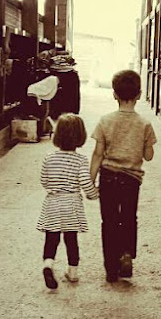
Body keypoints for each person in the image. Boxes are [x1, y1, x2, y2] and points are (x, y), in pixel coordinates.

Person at [90, 70, 157, 282]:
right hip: (131, 180)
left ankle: (111, 268)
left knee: (108, 221)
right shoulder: (145, 124)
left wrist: (90, 180)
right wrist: (146, 145)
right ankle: (127, 253)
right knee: (128, 218)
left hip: (108, 177)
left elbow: (98, 154)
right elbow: (148, 157)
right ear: (138, 95)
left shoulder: (105, 121)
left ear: (114, 95)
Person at [37, 113, 98, 289]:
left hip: (53, 203)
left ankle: (48, 264)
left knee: (51, 238)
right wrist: (94, 194)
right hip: (72, 204)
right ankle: (72, 273)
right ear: (81, 136)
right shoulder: (80, 160)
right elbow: (86, 183)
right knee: (71, 240)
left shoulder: (49, 157)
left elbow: (44, 180)